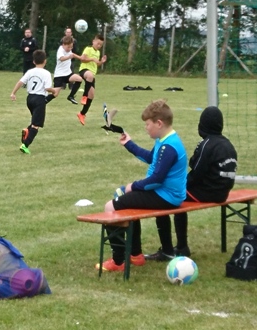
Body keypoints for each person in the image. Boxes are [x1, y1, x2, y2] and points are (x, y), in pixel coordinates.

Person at [98, 99, 187, 272]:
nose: (146, 128)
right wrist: (129, 144)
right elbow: (150, 158)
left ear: (159, 123)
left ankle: (118, 261)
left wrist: (132, 186)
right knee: (128, 201)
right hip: (165, 194)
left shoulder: (169, 147)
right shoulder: (165, 140)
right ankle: (135, 255)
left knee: (110, 207)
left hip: (166, 196)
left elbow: (156, 180)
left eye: (147, 124)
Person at [150, 106, 238, 261]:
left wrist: (178, 187)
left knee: (168, 196)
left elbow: (196, 173)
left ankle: (177, 248)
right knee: (177, 194)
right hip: (223, 193)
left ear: (203, 125)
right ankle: (180, 246)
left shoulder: (206, 145)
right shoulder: (228, 144)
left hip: (208, 193)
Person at [9, 50, 59, 154]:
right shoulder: (46, 73)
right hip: (39, 98)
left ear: (33, 61)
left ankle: (27, 131)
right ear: (45, 61)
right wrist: (54, 90)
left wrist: (13, 93)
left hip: (30, 98)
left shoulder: (30, 71)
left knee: (35, 119)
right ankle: (25, 145)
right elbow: (47, 88)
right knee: (36, 125)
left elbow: (20, 82)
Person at [69, 33, 107, 124]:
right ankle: (84, 96)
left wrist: (101, 62)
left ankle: (82, 114)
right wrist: (92, 59)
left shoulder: (98, 52)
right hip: (84, 70)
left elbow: (96, 64)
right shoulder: (88, 49)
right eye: (98, 43)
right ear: (93, 41)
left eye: (101, 45)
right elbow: (83, 59)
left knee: (92, 95)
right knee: (90, 76)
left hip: (92, 75)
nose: (99, 46)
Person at [51, 36, 79, 102]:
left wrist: (81, 58)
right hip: (59, 75)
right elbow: (61, 58)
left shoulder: (69, 49)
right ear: (63, 44)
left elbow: (73, 55)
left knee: (79, 79)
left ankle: (71, 96)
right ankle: (44, 100)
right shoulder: (60, 50)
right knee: (55, 94)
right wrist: (69, 57)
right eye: (68, 47)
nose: (70, 48)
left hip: (68, 74)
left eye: (71, 47)